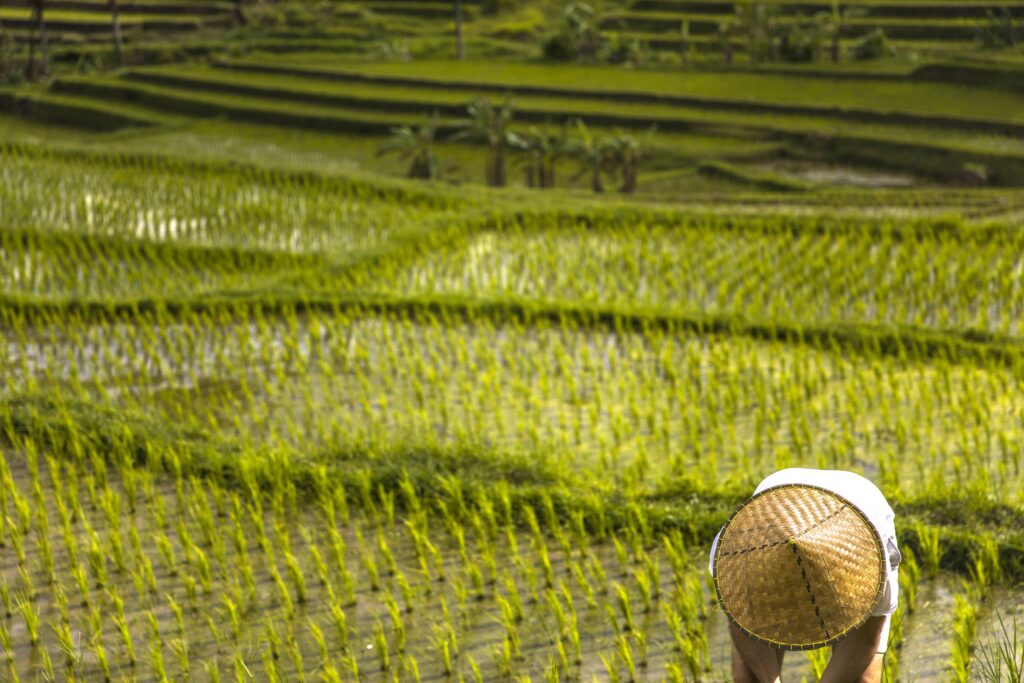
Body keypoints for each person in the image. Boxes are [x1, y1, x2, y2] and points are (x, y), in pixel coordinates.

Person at [708, 468, 901, 683]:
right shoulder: (735, 553)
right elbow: (741, 626)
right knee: (747, 677)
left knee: (863, 679)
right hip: (780, 497)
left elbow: (865, 641)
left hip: (863, 501)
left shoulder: (872, 566)